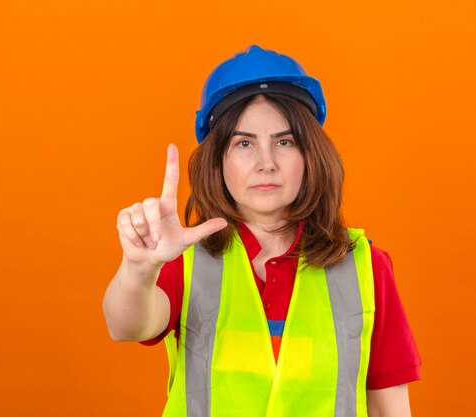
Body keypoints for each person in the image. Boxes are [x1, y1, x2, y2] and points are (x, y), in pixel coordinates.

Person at [103, 45, 421, 417]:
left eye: (284, 142)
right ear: (218, 161)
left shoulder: (366, 267)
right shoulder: (186, 262)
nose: (266, 163)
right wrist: (140, 268)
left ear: (311, 156)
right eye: (244, 143)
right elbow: (127, 325)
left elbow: (389, 406)